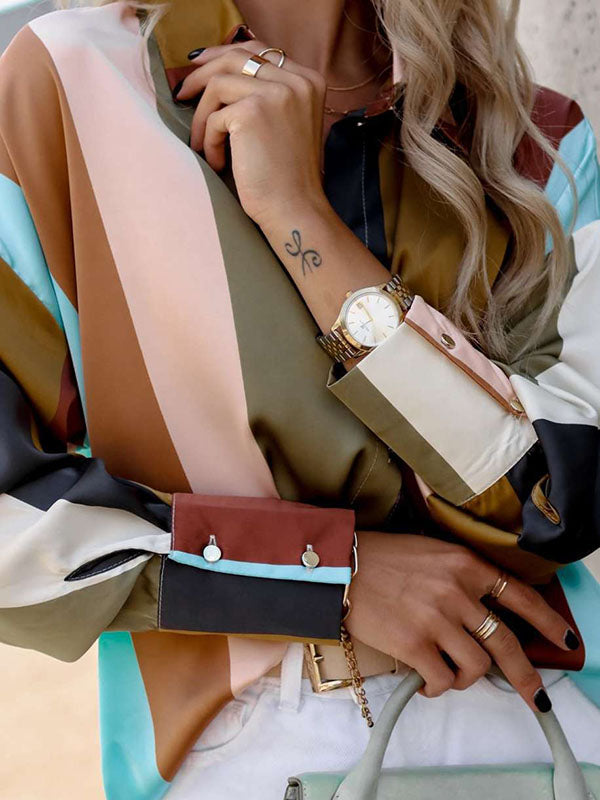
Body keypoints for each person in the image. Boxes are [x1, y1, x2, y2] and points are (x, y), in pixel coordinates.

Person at [0, 0, 599, 798]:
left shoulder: (539, 140)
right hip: (262, 741)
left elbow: (557, 495)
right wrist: (325, 575)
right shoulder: (71, 84)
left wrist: (299, 214)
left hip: (552, 729)